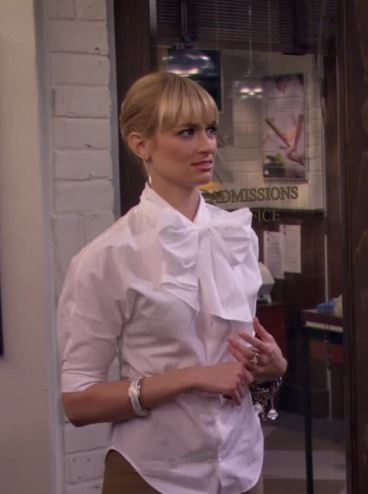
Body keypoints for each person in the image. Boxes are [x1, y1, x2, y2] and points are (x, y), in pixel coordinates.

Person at [57, 72, 287, 494]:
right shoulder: (109, 256)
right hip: (153, 476)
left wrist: (270, 370)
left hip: (242, 468)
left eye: (211, 130)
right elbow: (78, 401)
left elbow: (235, 372)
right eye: (187, 132)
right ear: (140, 144)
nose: (207, 145)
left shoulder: (235, 235)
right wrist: (191, 377)